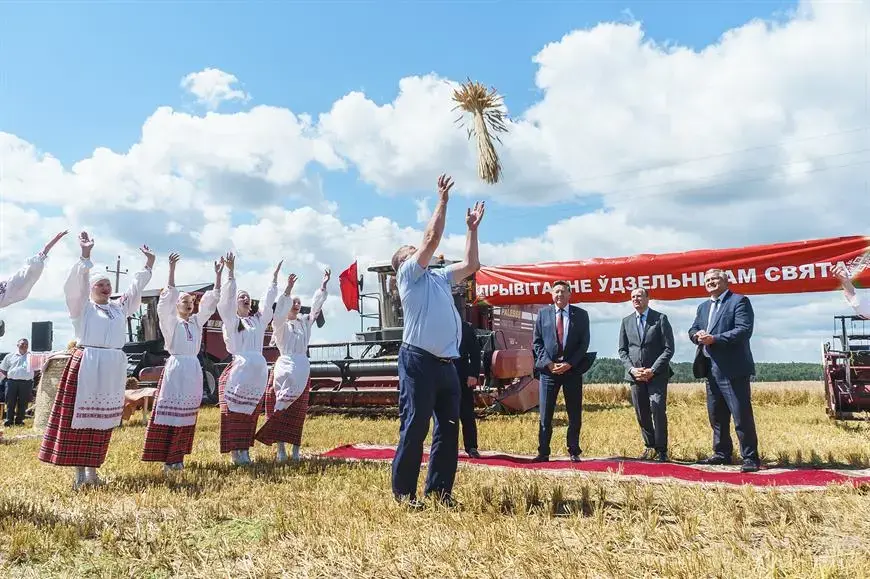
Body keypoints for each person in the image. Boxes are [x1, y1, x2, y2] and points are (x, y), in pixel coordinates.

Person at [389, 173, 485, 507]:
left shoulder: (440, 278)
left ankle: (440, 492)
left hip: (447, 365)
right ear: (403, 262)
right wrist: (442, 200)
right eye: (411, 252)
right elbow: (430, 239)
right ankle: (404, 494)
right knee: (415, 427)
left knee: (448, 428)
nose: (420, 253)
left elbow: (472, 264)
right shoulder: (409, 277)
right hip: (419, 361)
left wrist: (472, 229)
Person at [38, 231, 154, 489]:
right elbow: (76, 287)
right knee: (80, 420)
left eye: (107, 284)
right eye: (100, 284)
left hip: (111, 365)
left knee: (101, 421)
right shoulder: (83, 308)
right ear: (90, 289)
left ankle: (93, 471)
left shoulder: (117, 308)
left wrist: (147, 266)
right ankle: (80, 473)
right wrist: (86, 255)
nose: (105, 287)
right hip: (88, 362)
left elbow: (135, 292)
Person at [141, 253, 222, 472]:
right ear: (177, 305)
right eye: (185, 301)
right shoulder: (171, 323)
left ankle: (179, 458)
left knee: (187, 414)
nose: (189, 305)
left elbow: (209, 304)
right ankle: (168, 459)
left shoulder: (196, 322)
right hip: (176, 369)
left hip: (193, 369)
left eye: (191, 302)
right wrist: (171, 271)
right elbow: (165, 303)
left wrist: (218, 276)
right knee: (172, 413)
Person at [688, 268, 760, 473]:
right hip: (710, 368)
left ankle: (750, 458)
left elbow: (744, 330)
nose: (711, 282)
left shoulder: (739, 301)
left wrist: (715, 339)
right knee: (717, 416)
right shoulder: (703, 307)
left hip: (733, 368)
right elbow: (692, 329)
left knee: (741, 415)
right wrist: (697, 335)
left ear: (726, 281)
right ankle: (721, 454)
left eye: (715, 279)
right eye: (707, 280)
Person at [255, 268, 329, 461]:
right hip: (285, 368)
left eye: (298, 302)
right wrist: (287, 289)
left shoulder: (304, 323)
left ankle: (295, 451)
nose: (296, 304)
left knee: (298, 412)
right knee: (281, 409)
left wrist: (322, 286)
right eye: (293, 302)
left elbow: (315, 309)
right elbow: (278, 314)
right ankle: (280, 450)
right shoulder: (280, 327)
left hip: (302, 368)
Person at [216, 252, 280, 465]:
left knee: (250, 413)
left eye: (247, 296)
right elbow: (225, 301)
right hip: (240, 370)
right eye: (241, 296)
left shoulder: (258, 321)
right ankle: (235, 452)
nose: (245, 298)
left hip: (256, 372)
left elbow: (268, 302)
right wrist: (231, 273)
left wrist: (273, 279)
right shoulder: (232, 321)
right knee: (235, 413)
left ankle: (245, 451)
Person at [532, 280, 591, 462]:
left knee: (574, 413)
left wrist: (570, 364)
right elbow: (537, 342)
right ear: (552, 294)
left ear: (569, 294)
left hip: (571, 372)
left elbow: (584, 344)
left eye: (563, 292)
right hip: (549, 372)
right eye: (556, 292)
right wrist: (549, 364)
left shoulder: (581, 315)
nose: (560, 295)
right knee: (545, 414)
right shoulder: (543, 314)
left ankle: (574, 450)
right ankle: (543, 452)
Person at [617, 287, 674, 461]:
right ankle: (650, 446)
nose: (636, 299)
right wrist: (632, 369)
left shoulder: (660, 318)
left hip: (656, 374)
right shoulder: (626, 321)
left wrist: (653, 370)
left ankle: (662, 449)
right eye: (633, 297)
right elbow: (622, 350)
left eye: (639, 296)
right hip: (636, 376)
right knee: (641, 412)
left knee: (657, 408)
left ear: (648, 298)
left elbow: (668, 348)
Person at [0, 231, 68, 310]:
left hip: (16, 287)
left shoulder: (19, 282)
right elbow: (46, 249)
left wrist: (52, 242)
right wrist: (53, 242)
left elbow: (46, 249)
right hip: (16, 287)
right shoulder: (19, 281)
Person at [456, 319, 482, 458]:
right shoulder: (437, 325)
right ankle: (446, 447)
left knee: (467, 413)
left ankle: (471, 447)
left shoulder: (466, 327)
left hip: (463, 375)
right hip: (442, 374)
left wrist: (473, 374)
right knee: (444, 415)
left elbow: (475, 353)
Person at [0, 338, 36, 426]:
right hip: (12, 382)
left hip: (26, 383)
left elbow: (37, 369)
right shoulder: (10, 356)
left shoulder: (32, 357)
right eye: (22, 344)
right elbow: (3, 369)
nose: (24, 345)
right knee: (10, 402)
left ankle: (19, 421)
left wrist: (29, 376)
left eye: (26, 344)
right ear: (17, 345)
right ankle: (9, 421)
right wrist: (11, 375)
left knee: (23, 403)